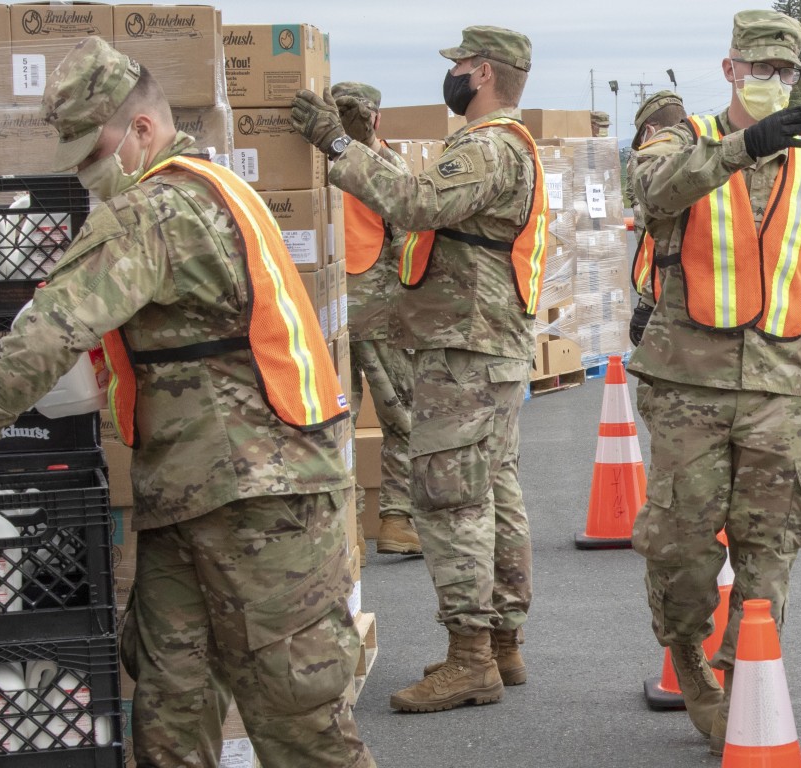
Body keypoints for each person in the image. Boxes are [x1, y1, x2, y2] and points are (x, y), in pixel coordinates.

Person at [0, 37, 373, 767]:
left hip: (261, 504)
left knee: (298, 722)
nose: (86, 169)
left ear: (141, 129)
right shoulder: (212, 187)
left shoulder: (157, 210)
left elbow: (47, 331)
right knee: (171, 700)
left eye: (94, 149)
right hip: (195, 496)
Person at [626, 9, 801, 756]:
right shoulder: (680, 139)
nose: (771, 82)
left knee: (772, 543)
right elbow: (655, 192)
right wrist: (738, 148)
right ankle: (692, 663)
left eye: (784, 72)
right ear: (729, 69)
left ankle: (744, 675)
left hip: (779, 387)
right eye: (758, 69)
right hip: (686, 384)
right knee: (680, 547)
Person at [291, 24, 542, 713]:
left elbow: (415, 203)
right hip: (484, 343)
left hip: (467, 347)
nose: (453, 73)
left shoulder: (489, 146)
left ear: (483, 72)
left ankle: (472, 661)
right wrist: (363, 147)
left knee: (450, 498)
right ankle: (502, 645)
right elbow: (425, 197)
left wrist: (336, 146)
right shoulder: (499, 146)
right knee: (492, 491)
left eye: (460, 64)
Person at [331, 80, 423, 558]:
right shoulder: (387, 165)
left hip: (328, 310)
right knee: (402, 418)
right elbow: (409, 238)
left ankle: (345, 531)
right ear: (377, 120)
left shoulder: (320, 163)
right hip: (382, 309)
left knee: (335, 421)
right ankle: (395, 520)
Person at [627, 89, 686, 339]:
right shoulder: (706, 158)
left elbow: (661, 245)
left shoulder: (663, 170)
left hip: (668, 302)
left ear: (650, 132)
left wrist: (646, 304)